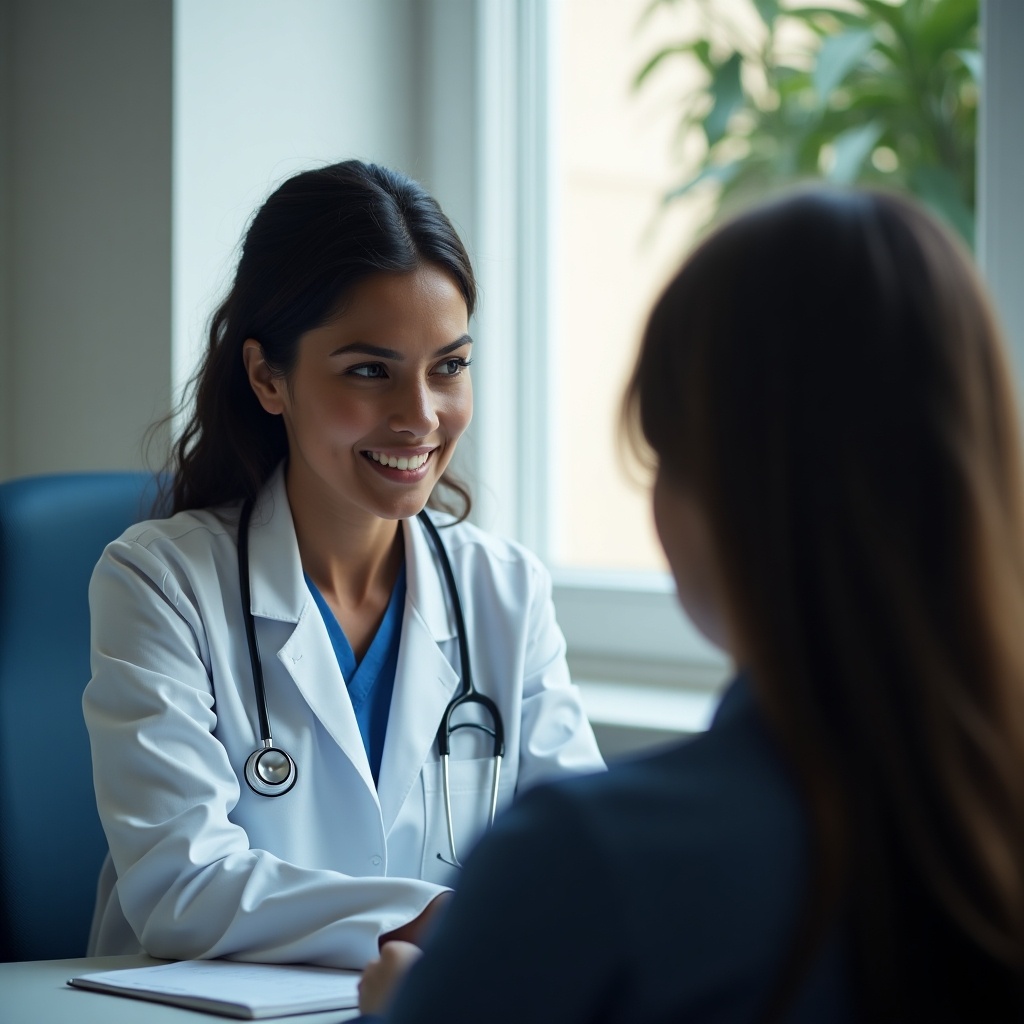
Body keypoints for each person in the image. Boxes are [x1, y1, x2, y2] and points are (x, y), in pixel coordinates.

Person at [355, 188, 1024, 1022]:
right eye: (370, 369)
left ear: (718, 485)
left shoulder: (584, 861)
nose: (418, 412)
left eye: (662, 453)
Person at [83, 160, 605, 969]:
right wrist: (450, 922)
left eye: (450, 367)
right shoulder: (160, 582)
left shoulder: (503, 591)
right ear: (268, 377)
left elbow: (584, 857)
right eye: (370, 371)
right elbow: (180, 889)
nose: (420, 417)